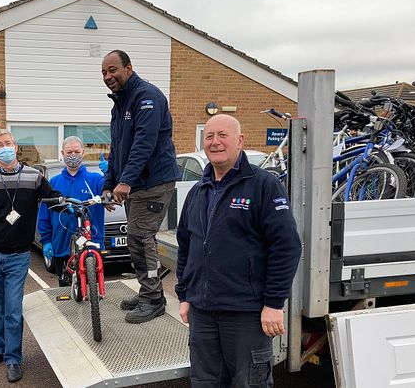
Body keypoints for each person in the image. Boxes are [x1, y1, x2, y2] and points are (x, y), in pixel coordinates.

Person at [175, 115, 301, 388]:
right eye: (209, 137)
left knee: (249, 383)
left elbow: (287, 247)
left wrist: (273, 303)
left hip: (246, 314)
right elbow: (186, 246)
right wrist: (185, 295)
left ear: (240, 141)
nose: (215, 142)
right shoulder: (198, 191)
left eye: (223, 135)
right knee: (205, 382)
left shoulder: (263, 185)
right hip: (203, 312)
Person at [0, 129, 61, 383]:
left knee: (12, 308)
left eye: (8, 143)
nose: (5, 148)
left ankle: (14, 358)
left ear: (16, 147)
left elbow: (53, 198)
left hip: (18, 255)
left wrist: (68, 201)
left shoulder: (34, 176)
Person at [100, 49, 181, 323]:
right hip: (136, 183)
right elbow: (117, 149)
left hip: (154, 181)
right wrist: (108, 184)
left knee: (139, 236)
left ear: (129, 68)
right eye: (104, 73)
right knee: (136, 239)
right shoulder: (120, 104)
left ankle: (153, 298)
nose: (108, 76)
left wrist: (126, 181)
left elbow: (143, 144)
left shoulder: (147, 97)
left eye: (113, 70)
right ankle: (148, 291)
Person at [37, 136, 105, 287]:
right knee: (66, 290)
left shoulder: (95, 179)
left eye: (76, 151)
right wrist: (46, 240)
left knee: (91, 287)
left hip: (91, 243)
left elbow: (111, 192)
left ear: (83, 153)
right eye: (69, 152)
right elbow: (44, 215)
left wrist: (111, 174)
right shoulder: (53, 183)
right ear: (62, 153)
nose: (72, 155)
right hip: (62, 245)